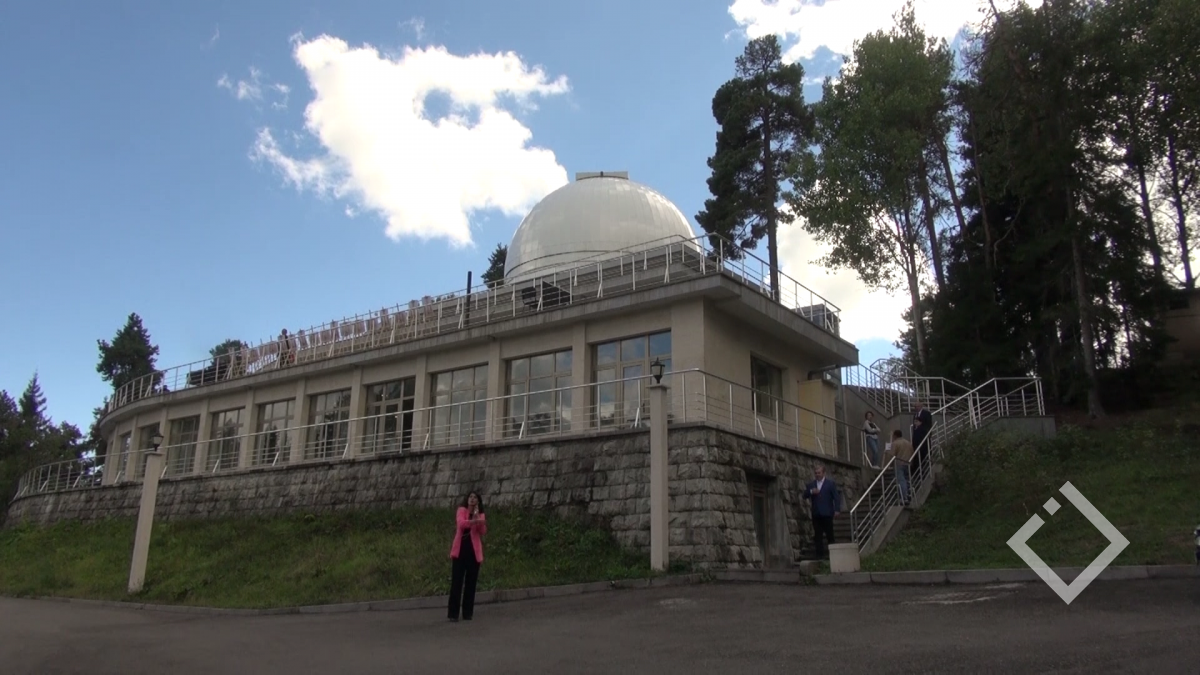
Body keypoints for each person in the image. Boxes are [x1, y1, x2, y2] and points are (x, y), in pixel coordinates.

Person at [448, 491, 487, 622]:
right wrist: (473, 521)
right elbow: (461, 524)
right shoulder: (461, 510)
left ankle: (467, 612)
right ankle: (453, 613)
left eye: (475, 497)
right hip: (460, 552)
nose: (472, 499)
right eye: (470, 497)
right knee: (457, 582)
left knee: (471, 583)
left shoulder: (480, 515)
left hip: (473, 553)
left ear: (478, 501)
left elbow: (482, 531)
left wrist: (477, 517)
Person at [801, 464, 841, 559]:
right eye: (816, 473)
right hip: (816, 514)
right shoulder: (811, 484)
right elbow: (804, 495)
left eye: (819, 473)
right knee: (817, 536)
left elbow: (836, 497)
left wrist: (837, 510)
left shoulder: (830, 484)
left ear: (823, 473)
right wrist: (811, 491)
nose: (817, 475)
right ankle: (819, 556)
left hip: (827, 514)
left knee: (830, 535)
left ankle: (833, 555)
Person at [884, 429, 915, 506]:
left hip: (899, 464)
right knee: (907, 479)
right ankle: (909, 493)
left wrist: (887, 465)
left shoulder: (895, 443)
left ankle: (904, 497)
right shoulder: (908, 443)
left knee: (901, 480)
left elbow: (891, 455)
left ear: (895, 436)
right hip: (908, 463)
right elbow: (912, 452)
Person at [911, 402, 933, 476]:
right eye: (915, 406)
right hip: (916, 437)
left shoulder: (926, 413)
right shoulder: (915, 415)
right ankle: (917, 472)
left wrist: (921, 425)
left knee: (924, 454)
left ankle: (924, 470)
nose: (916, 408)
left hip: (923, 436)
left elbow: (929, 425)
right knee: (917, 456)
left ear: (921, 406)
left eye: (917, 406)